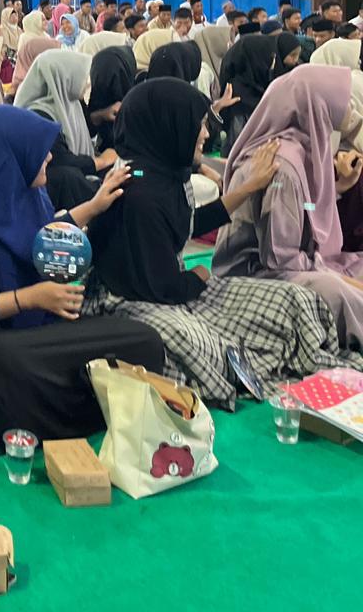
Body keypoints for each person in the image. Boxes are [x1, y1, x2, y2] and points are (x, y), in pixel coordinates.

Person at [85, 78, 349, 405]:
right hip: (138, 298)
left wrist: (249, 187)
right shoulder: (139, 194)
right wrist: (197, 277)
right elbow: (159, 289)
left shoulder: (162, 175)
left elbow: (188, 223)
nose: (206, 134)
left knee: (293, 300)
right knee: (197, 343)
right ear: (169, 126)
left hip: (169, 284)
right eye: (198, 124)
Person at [0, 105, 164, 443]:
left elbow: (40, 236)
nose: (49, 157)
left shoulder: (25, 191)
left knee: (143, 342)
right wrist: (28, 298)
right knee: (14, 365)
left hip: (33, 327)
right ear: (10, 155)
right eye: (40, 151)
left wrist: (95, 206)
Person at [215, 67, 363, 347]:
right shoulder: (282, 166)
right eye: (345, 101)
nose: (351, 109)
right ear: (316, 105)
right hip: (256, 275)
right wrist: (335, 275)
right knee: (336, 291)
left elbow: (302, 207)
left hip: (293, 261)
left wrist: (338, 189)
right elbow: (279, 258)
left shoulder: (301, 148)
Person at [14, 49, 117, 208]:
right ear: (64, 77)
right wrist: (102, 161)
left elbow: (82, 129)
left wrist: (101, 115)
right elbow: (61, 160)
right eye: (83, 77)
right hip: (58, 190)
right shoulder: (39, 115)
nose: (87, 83)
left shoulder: (69, 101)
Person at [220, 33, 277, 151]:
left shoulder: (258, 86)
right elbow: (238, 147)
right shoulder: (238, 99)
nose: (272, 63)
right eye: (268, 57)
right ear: (257, 59)